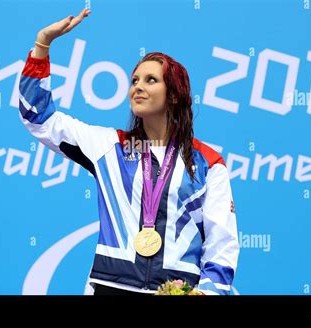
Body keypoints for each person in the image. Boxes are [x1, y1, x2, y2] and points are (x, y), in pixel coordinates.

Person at [19, 8, 240, 295]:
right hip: (111, 287)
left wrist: (208, 293)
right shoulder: (110, 147)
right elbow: (39, 118)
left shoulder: (207, 163)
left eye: (151, 80)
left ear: (173, 93)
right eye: (134, 80)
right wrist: (42, 44)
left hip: (176, 289)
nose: (138, 87)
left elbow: (222, 242)